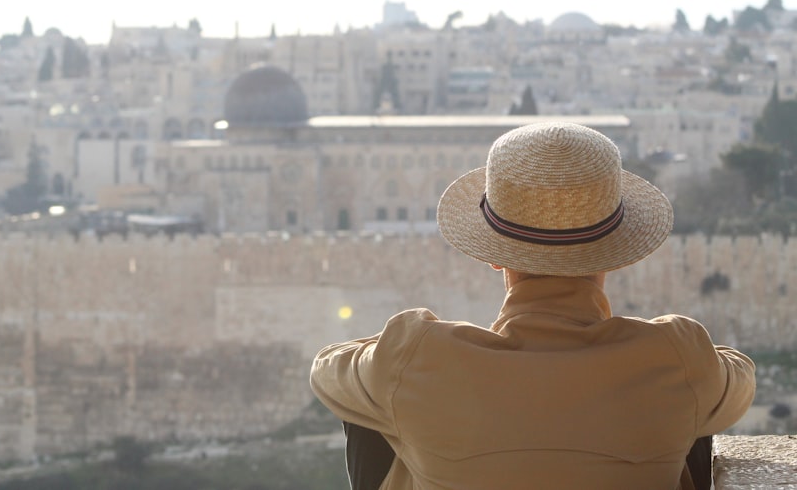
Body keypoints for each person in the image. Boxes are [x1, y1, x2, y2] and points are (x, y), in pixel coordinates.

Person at [310, 122, 756, 490]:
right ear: (616, 255)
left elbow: (327, 371)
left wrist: (397, 353)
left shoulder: (419, 357)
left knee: (372, 410)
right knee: (690, 413)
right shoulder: (674, 356)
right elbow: (738, 381)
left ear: (491, 253)